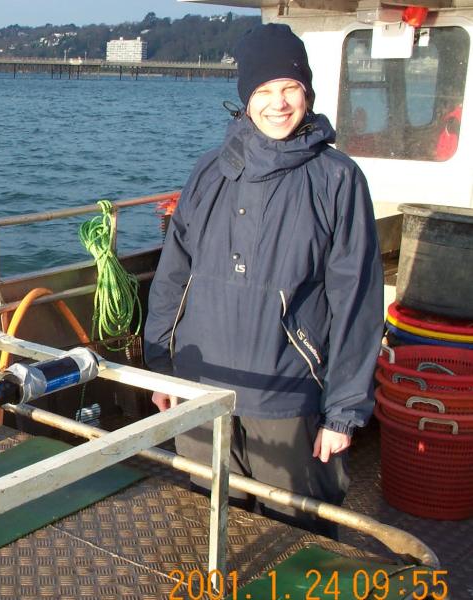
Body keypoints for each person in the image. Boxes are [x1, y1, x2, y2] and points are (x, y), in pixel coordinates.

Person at [143, 23, 383, 538]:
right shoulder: (210, 171)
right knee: (203, 530)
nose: (278, 103)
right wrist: (161, 368)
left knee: (291, 541)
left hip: (288, 399)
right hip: (200, 390)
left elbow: (357, 302)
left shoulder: (338, 179)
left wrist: (342, 412)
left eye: (290, 88)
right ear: (245, 99)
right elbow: (172, 277)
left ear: (308, 92)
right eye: (264, 91)